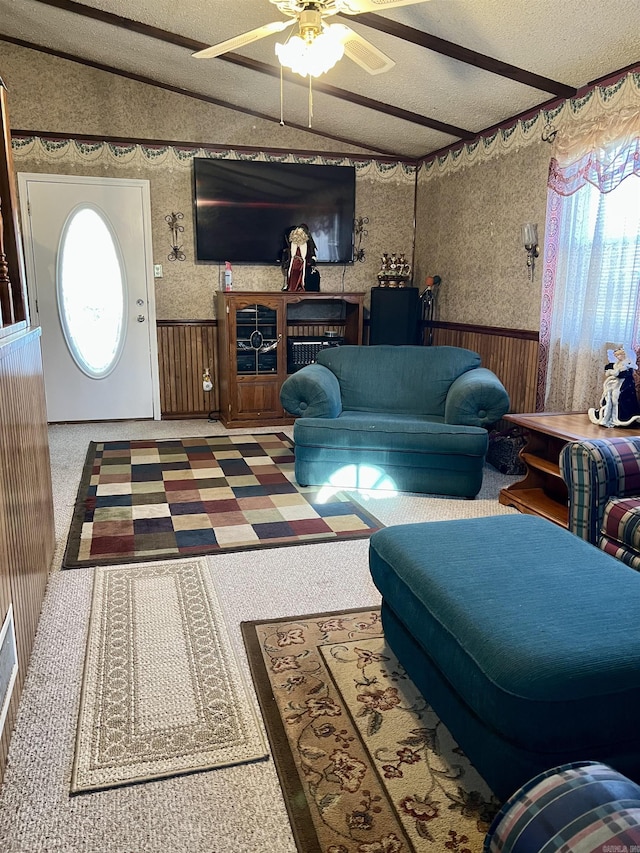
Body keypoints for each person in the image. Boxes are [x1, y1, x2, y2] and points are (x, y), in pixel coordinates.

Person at [588, 345, 640, 427]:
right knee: (609, 397)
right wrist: (611, 372)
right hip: (616, 384)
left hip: (625, 386)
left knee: (621, 398)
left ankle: (622, 417)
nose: (618, 357)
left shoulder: (628, 364)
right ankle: (609, 414)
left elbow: (626, 374)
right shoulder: (617, 364)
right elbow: (611, 370)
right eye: (616, 355)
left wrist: (617, 373)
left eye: (619, 355)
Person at [279, 224, 318, 292]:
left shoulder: (307, 243)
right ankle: (291, 287)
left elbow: (312, 251)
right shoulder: (292, 243)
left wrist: (313, 259)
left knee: (302, 275)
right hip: (294, 262)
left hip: (304, 264)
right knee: (293, 275)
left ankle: (301, 287)